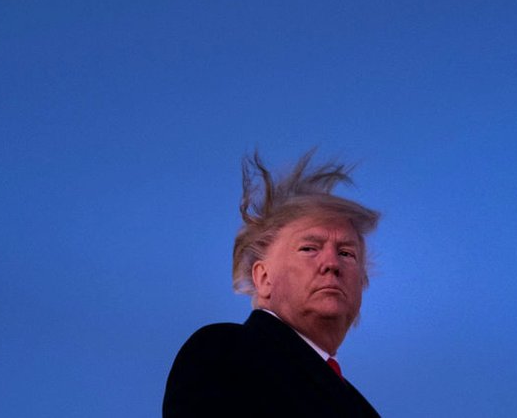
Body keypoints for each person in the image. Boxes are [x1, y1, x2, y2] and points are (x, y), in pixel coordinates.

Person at [162, 150, 381, 417]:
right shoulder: (227, 352)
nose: (331, 263)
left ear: (362, 283)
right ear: (263, 278)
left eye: (346, 253)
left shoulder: (363, 409)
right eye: (309, 248)